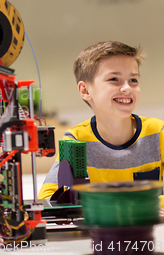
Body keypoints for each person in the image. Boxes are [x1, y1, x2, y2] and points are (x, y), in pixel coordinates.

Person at [38, 41, 164, 199]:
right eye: (114, 79)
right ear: (85, 90)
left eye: (133, 80)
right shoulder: (77, 139)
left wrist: (154, 205)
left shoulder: (157, 132)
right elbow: (47, 199)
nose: (127, 88)